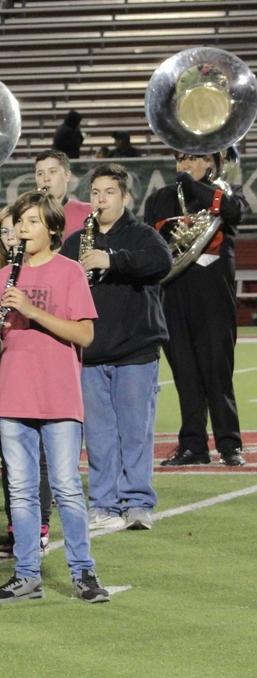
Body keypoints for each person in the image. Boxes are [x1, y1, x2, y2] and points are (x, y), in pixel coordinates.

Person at [0, 190, 110, 606]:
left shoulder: (69, 271)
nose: (22, 229)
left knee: (67, 487)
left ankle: (83, 572)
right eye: (19, 222)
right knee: (20, 490)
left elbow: (85, 334)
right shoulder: (4, 276)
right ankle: (25, 575)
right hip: (14, 394)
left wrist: (33, 312)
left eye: (32, 221)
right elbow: (2, 343)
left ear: (53, 229)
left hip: (58, 396)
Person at [60, 163, 172, 531]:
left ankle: (138, 502)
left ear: (125, 198)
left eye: (109, 193)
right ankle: (104, 503)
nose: (101, 199)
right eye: (95, 193)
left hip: (135, 350)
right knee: (99, 435)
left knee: (135, 431)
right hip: (92, 353)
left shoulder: (141, 235)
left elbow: (161, 262)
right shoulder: (77, 240)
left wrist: (112, 260)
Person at [144, 151, 246, 467]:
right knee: (185, 373)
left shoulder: (224, 193)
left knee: (217, 371)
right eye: (180, 159)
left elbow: (231, 211)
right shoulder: (160, 198)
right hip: (173, 293)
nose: (184, 165)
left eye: (194, 158)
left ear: (210, 163)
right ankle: (193, 446)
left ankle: (229, 445)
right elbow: (151, 241)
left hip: (214, 294)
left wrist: (192, 184)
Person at [0, 208, 52, 559]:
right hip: (0, 371)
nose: (11, 237)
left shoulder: (47, 271)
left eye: (16, 229)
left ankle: (41, 525)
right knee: (11, 456)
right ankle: (16, 526)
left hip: (39, 370)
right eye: (4, 232)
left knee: (41, 454)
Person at [35, 150, 92, 234]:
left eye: (52, 171)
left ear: (67, 176)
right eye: (40, 173)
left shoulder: (89, 212)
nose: (46, 178)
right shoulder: (26, 214)